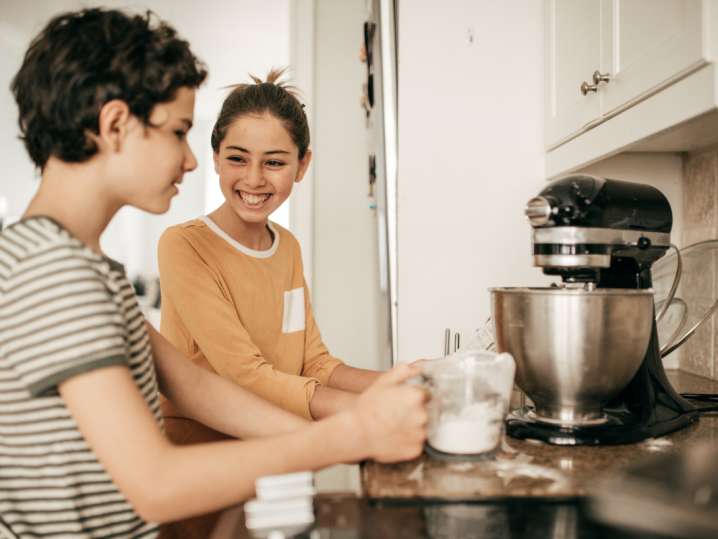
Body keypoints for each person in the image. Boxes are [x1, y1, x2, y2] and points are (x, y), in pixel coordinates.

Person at [0, 9, 427, 539]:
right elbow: (154, 482)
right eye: (179, 132)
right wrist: (353, 436)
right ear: (114, 125)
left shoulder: (81, 266)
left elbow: (197, 387)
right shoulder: (55, 275)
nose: (191, 160)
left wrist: (363, 422)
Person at [157, 70, 385, 428]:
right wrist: (367, 413)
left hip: (277, 439)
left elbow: (314, 364)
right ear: (216, 157)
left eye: (275, 162)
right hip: (202, 452)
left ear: (302, 165)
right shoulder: (184, 246)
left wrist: (404, 381)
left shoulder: (287, 248)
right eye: (237, 159)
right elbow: (244, 375)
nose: (254, 178)